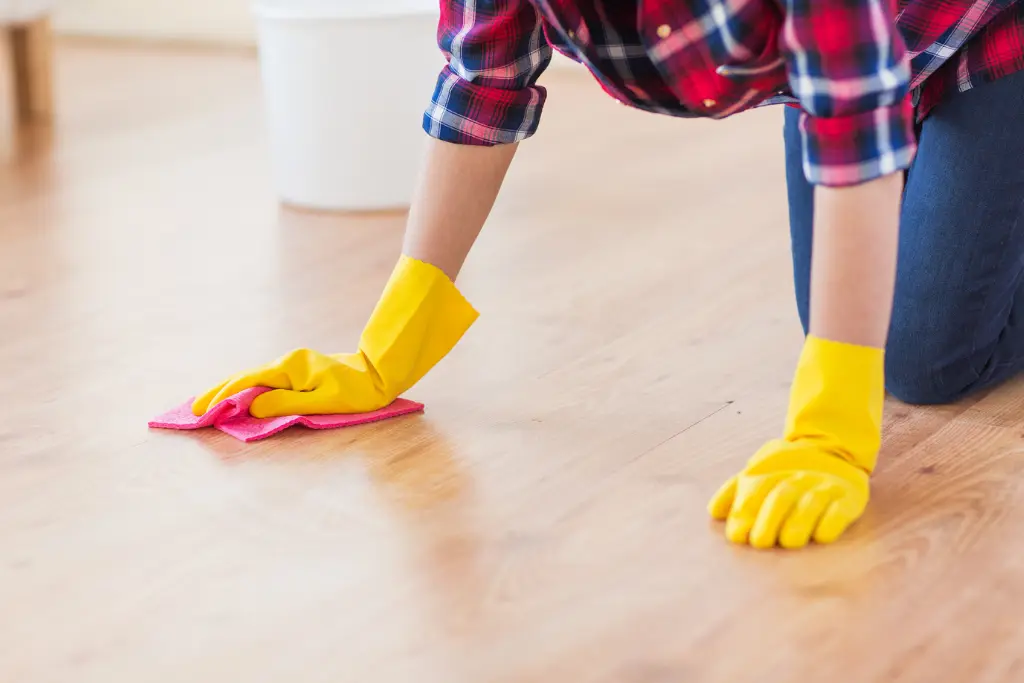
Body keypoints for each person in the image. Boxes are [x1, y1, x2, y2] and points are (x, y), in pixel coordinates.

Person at [191, 1, 1024, 550]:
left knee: (920, 361)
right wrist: (384, 355)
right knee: (841, 320)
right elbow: (483, 85)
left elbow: (850, 125)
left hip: (987, 36)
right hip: (864, 62)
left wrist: (830, 430)